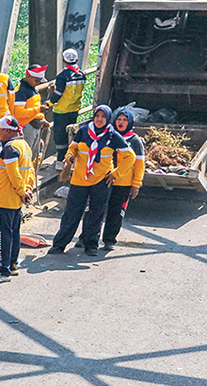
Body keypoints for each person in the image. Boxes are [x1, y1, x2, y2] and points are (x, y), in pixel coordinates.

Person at [50, 105, 127, 256]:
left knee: (96, 214)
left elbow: (129, 157)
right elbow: (72, 148)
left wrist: (116, 173)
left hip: (101, 181)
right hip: (80, 179)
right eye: (97, 116)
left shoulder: (113, 136)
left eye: (103, 117)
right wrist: (69, 157)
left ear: (108, 119)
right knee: (72, 213)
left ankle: (90, 245)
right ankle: (59, 245)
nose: (99, 119)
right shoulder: (84, 132)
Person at [0, 116, 35, 281]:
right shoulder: (25, 146)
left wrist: (22, 191)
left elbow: (13, 173)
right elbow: (30, 171)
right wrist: (27, 190)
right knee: (13, 232)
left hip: (4, 199)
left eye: (0, 129)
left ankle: (3, 268)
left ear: (9, 130)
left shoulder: (10, 148)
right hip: (15, 201)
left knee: (2, 234)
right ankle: (13, 263)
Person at [101, 108, 146, 252]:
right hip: (103, 180)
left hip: (123, 184)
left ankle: (109, 240)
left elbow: (139, 165)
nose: (121, 123)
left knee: (116, 213)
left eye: (125, 120)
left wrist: (136, 185)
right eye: (119, 119)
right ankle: (86, 238)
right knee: (95, 210)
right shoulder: (107, 136)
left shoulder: (135, 141)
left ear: (130, 123)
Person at [48, 48, 87, 164]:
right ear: (77, 59)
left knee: (60, 136)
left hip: (61, 110)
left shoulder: (62, 76)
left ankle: (60, 159)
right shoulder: (81, 74)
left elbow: (59, 93)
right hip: (74, 109)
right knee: (70, 133)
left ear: (64, 60)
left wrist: (49, 103)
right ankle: (70, 156)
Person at [11, 65, 49, 157]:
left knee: (33, 155)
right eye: (36, 81)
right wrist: (39, 110)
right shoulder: (21, 92)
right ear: (28, 76)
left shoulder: (32, 89)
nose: (38, 83)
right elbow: (19, 113)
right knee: (26, 155)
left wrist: (42, 119)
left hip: (34, 126)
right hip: (26, 127)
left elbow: (33, 106)